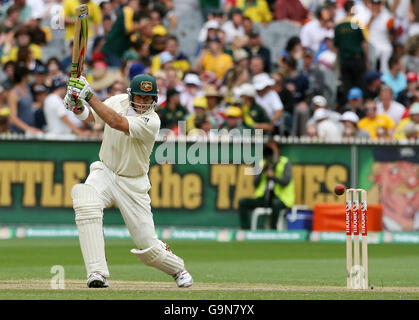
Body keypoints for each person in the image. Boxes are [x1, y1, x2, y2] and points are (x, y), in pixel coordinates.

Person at [64, 73, 193, 288]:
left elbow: (116, 122)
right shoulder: (116, 101)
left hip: (133, 183)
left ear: (154, 99)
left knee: (147, 244)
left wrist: (88, 95)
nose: (143, 102)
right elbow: (93, 117)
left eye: (148, 98)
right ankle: (97, 273)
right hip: (105, 170)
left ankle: (177, 269)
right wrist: (77, 107)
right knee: (86, 203)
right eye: (139, 97)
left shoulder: (152, 121)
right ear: (131, 94)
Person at [238, 140, 295, 230]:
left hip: (281, 198)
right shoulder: (262, 163)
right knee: (242, 202)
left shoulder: (285, 162)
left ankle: (273, 230)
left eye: (273, 148)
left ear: (278, 150)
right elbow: (255, 183)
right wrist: (262, 170)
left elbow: (286, 181)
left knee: (275, 204)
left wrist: (274, 177)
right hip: (264, 198)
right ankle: (246, 231)